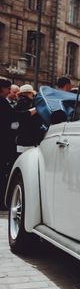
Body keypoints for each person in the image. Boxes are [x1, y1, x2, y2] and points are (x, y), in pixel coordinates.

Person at [1, 77, 18, 207]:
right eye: (8, 88)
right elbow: (13, 116)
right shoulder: (2, 102)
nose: (9, 91)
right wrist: (31, 112)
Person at [14, 84, 44, 153]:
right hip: (30, 137)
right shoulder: (31, 104)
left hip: (21, 137)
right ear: (30, 93)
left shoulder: (18, 103)